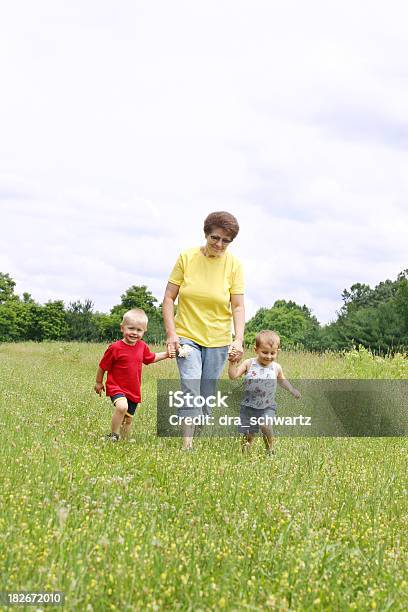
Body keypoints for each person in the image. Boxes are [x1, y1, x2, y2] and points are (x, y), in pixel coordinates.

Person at [163, 211, 245, 450]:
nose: (219, 244)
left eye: (225, 241)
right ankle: (186, 445)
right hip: (187, 335)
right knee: (190, 384)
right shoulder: (186, 257)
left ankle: (196, 434)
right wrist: (172, 334)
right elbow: (168, 298)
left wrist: (238, 339)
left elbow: (238, 306)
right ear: (206, 234)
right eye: (215, 238)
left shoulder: (234, 265)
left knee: (206, 396)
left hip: (219, 339)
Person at [94, 308, 172, 441]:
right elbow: (103, 366)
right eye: (131, 328)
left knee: (128, 419)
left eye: (139, 330)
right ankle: (113, 435)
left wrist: (166, 354)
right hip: (116, 387)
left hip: (133, 390)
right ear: (122, 328)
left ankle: (124, 440)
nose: (134, 333)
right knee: (122, 406)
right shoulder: (115, 348)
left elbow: (150, 358)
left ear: (144, 331)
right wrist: (99, 382)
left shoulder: (142, 346)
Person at [228, 330, 301, 454]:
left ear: (277, 351)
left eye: (272, 353)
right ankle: (245, 455)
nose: (268, 356)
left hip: (267, 406)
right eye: (264, 352)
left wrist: (292, 390)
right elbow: (233, 376)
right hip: (248, 407)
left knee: (265, 425)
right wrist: (232, 363)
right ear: (256, 349)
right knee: (248, 436)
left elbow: (282, 381)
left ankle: (269, 449)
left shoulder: (276, 367)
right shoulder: (249, 364)